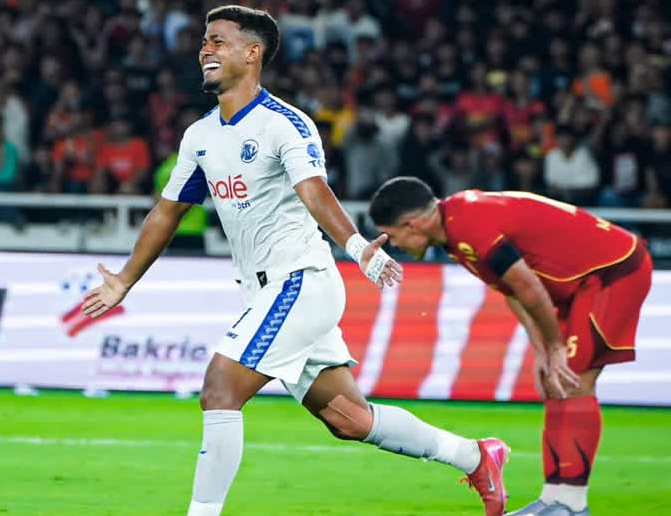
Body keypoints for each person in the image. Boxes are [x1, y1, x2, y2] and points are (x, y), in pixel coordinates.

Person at [81, 6, 509, 516]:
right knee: (350, 419)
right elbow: (167, 212)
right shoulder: (200, 137)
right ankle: (476, 457)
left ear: (252, 53)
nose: (205, 50)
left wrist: (356, 247)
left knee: (220, 389)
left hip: (299, 283)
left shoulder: (284, 123)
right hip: (265, 292)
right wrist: (124, 280)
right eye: (204, 41)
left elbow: (314, 190)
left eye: (218, 40)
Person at [368, 177, 653, 516]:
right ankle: (553, 499)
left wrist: (555, 347)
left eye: (392, 236)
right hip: (578, 284)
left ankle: (573, 504)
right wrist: (542, 349)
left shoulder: (470, 226)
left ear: (411, 224)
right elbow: (513, 291)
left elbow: (528, 286)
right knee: (555, 381)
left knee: (575, 381)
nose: (395, 245)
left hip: (612, 271)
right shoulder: (455, 230)